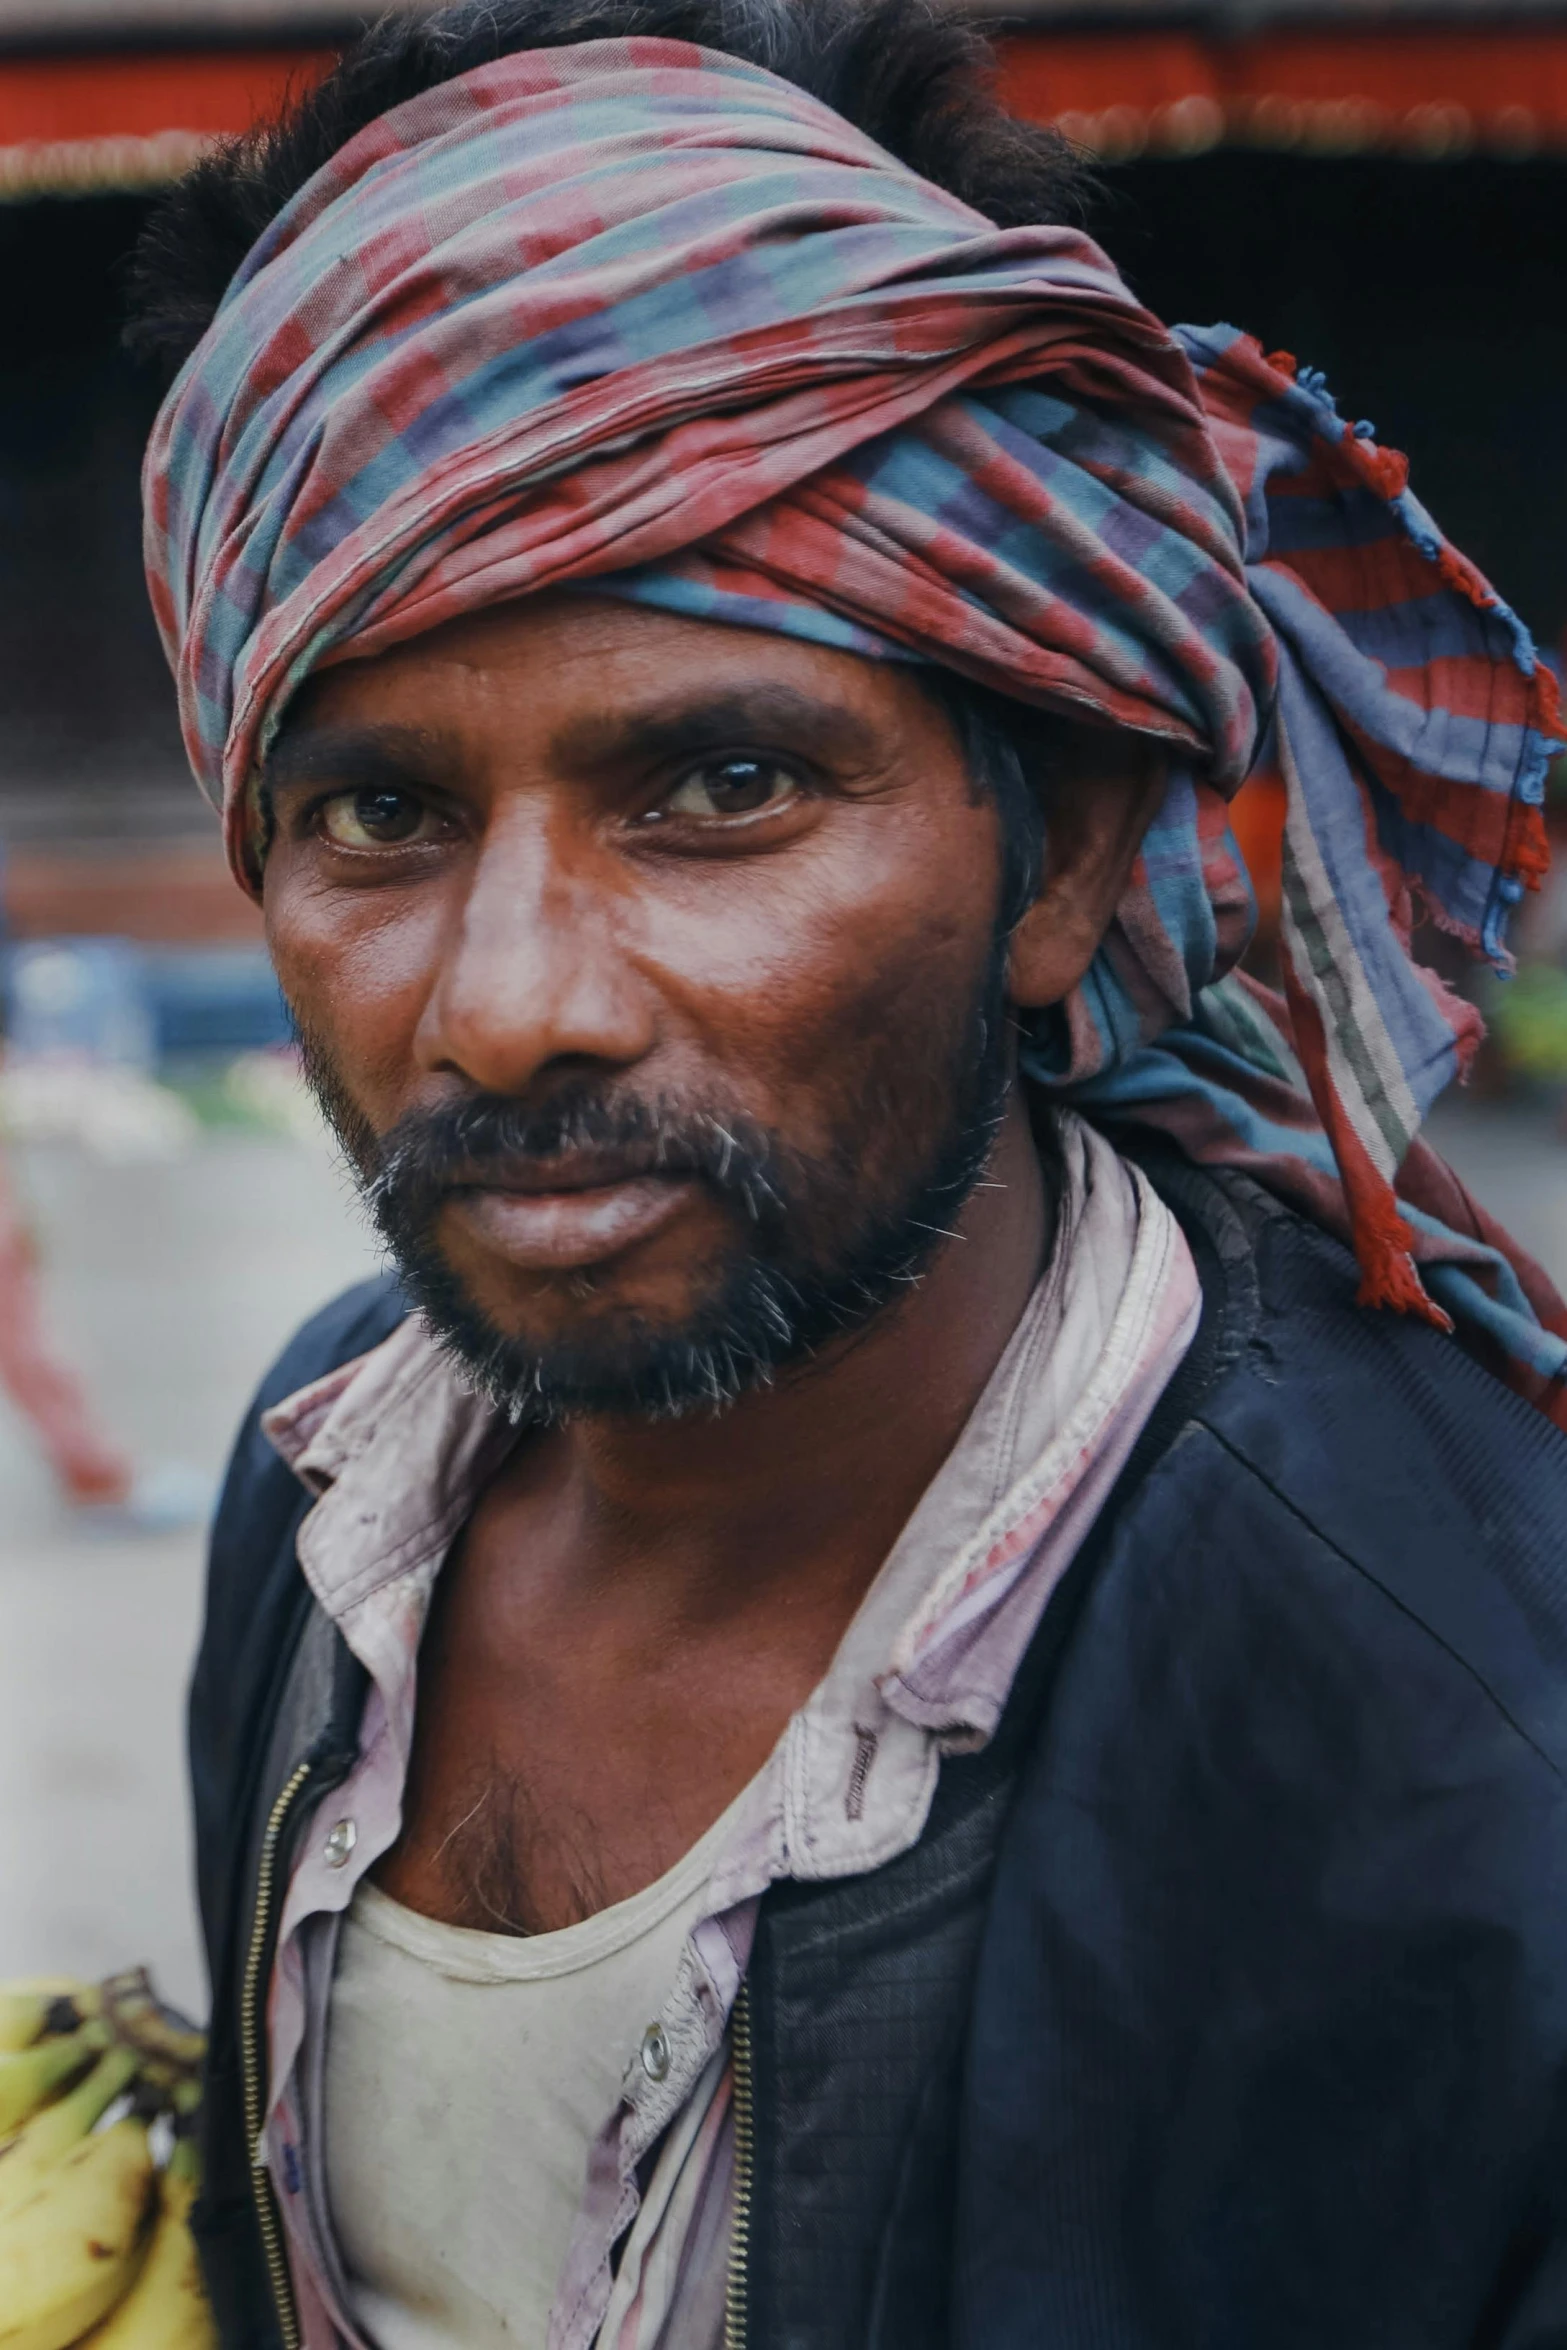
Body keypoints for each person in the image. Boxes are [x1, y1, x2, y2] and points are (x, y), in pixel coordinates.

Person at [130, 3, 1567, 2343]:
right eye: (378, 813)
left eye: (718, 788)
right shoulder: (318, 1487)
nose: (509, 1006)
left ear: (1070, 851)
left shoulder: (1476, 1747)